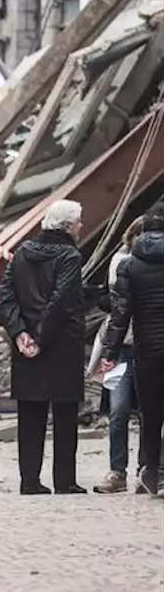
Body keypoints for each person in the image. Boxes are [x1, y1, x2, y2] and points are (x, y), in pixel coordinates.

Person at [0, 199, 87, 495]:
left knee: (30, 414)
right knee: (65, 414)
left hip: (27, 348)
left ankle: (29, 480)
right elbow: (60, 301)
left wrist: (20, 332)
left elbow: (6, 296)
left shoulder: (22, 252)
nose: (81, 227)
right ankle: (64, 480)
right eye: (78, 222)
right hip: (61, 343)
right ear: (68, 226)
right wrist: (39, 336)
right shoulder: (70, 256)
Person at [101, 203, 165, 497]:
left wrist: (109, 353)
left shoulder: (128, 265)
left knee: (150, 414)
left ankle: (152, 472)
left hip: (147, 351)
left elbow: (120, 314)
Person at [94, 216, 146, 494]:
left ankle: (145, 469)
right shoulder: (118, 263)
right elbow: (110, 303)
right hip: (122, 348)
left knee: (147, 412)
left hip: (144, 347)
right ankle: (117, 470)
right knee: (118, 410)